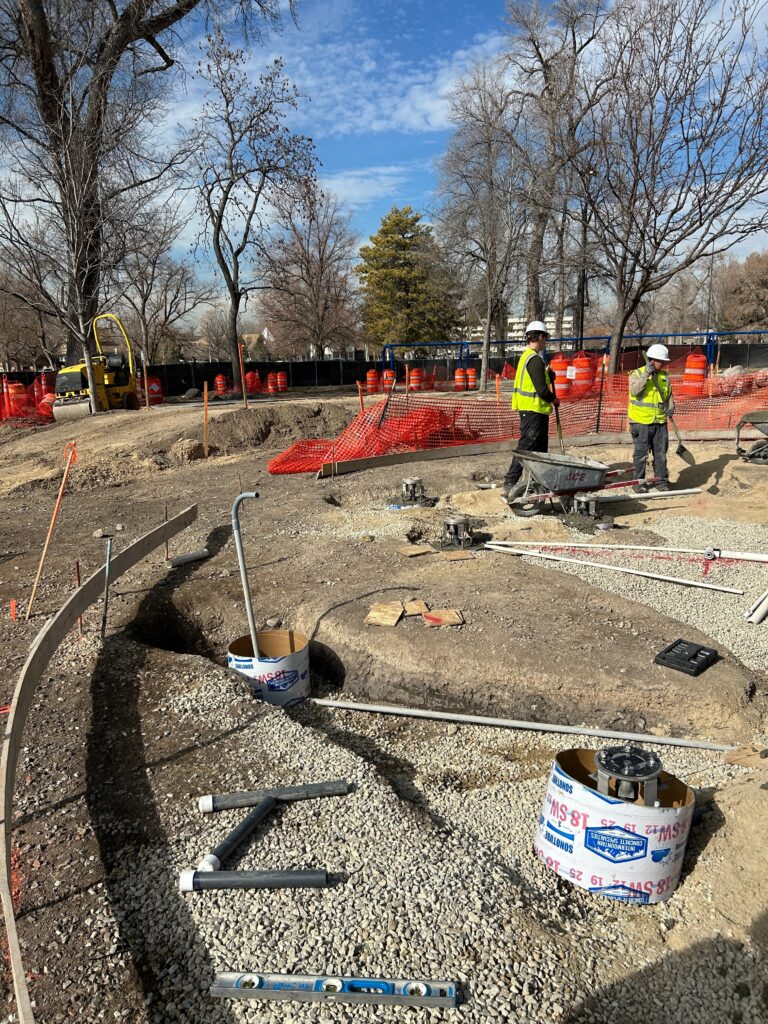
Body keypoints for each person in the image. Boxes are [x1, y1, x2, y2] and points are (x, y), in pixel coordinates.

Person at [503, 320, 559, 498]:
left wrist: (548, 375)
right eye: (545, 338)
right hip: (533, 411)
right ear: (540, 337)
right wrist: (553, 399)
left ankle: (539, 482)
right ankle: (511, 481)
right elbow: (542, 390)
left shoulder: (527, 357)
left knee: (540, 450)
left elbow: (537, 380)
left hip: (535, 411)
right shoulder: (534, 360)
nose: (546, 342)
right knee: (527, 446)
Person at [627, 343, 675, 492]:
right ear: (653, 360)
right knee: (641, 455)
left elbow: (669, 395)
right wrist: (646, 375)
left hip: (660, 421)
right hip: (641, 421)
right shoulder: (637, 374)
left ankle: (661, 482)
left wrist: (671, 406)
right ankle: (638, 482)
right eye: (662, 361)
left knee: (661, 454)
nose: (664, 364)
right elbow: (634, 391)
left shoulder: (664, 377)